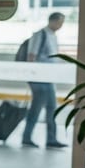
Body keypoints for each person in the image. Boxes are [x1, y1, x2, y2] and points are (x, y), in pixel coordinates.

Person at [22, 12, 67, 149]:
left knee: (51, 108)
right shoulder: (39, 35)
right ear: (52, 21)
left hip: (49, 78)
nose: (61, 25)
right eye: (60, 22)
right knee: (36, 109)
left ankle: (51, 139)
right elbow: (31, 56)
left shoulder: (53, 36)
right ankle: (27, 137)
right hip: (39, 79)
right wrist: (33, 76)